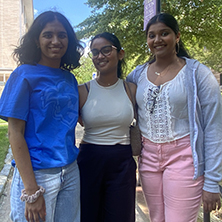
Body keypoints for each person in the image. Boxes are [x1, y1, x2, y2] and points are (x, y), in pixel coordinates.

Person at [127, 12, 222, 222]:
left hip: (184, 158)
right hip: (148, 158)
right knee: (157, 218)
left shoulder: (198, 74)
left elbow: (214, 127)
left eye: (164, 33)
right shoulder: (137, 75)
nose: (157, 39)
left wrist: (213, 181)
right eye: (152, 35)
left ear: (177, 36)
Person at [0, 11, 84, 222]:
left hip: (70, 171)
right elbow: (14, 132)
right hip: (37, 173)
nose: (56, 41)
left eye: (62, 35)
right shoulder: (24, 74)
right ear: (37, 40)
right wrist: (31, 189)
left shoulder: (70, 79)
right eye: (48, 35)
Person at [77, 32, 137, 222]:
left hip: (122, 162)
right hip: (89, 161)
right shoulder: (82, 91)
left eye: (106, 50)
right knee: (88, 216)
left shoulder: (131, 89)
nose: (100, 56)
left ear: (120, 54)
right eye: (95, 52)